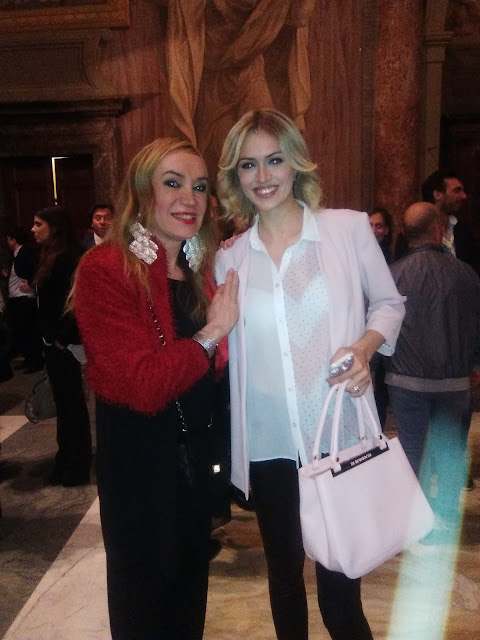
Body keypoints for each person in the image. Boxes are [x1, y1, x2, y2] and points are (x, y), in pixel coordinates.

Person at [216, 108, 405, 640]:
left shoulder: (346, 229)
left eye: (274, 160)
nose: (263, 176)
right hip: (269, 443)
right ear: (235, 176)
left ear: (296, 162)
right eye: (248, 165)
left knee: (341, 590)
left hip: (336, 434)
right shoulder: (230, 259)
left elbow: (389, 304)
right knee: (283, 578)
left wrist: (365, 348)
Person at [73, 138, 238, 640]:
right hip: (140, 462)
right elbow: (142, 385)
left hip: (195, 458)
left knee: (188, 599)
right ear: (142, 192)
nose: (190, 198)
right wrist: (212, 333)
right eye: (173, 183)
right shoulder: (106, 268)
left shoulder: (200, 269)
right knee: (144, 604)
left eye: (200, 187)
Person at [386, 202, 480, 542]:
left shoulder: (393, 276)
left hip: (406, 380)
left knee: (413, 452)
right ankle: (448, 515)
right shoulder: (465, 274)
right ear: (438, 230)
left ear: (405, 233)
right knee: (451, 451)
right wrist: (476, 365)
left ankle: (417, 521)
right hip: (455, 381)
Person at [31, 206, 92, 487]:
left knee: (72, 406)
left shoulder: (67, 259)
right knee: (66, 406)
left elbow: (76, 303)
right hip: (53, 341)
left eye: (38, 224)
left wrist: (61, 338)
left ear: (54, 227)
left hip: (63, 344)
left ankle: (76, 465)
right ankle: (66, 459)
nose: (33, 229)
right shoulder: (50, 255)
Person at [4, 225, 43, 372]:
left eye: (8, 239)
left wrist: (31, 282)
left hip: (24, 298)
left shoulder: (25, 252)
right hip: (17, 297)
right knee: (21, 332)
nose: (7, 242)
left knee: (29, 332)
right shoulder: (17, 254)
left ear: (13, 240)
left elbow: (36, 268)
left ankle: (35, 361)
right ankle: (28, 359)